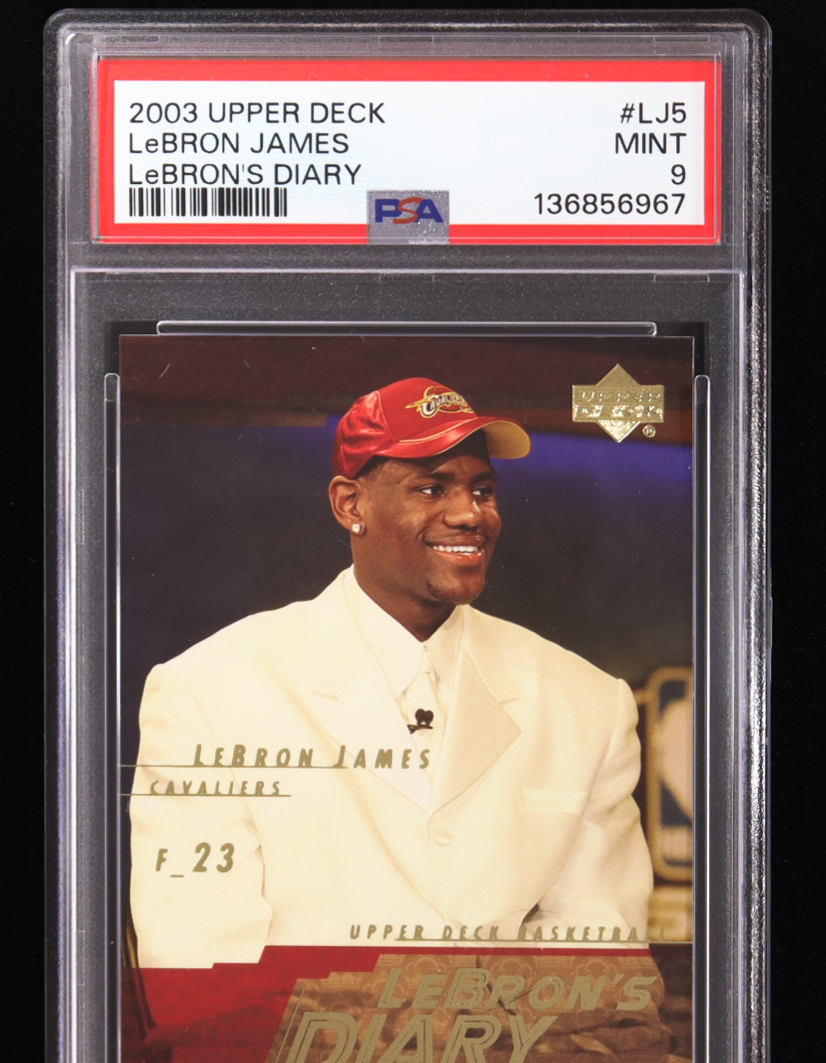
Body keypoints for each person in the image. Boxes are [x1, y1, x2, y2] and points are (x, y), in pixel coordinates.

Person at [129, 377, 653, 968]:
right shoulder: (211, 691)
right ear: (350, 505)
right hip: (302, 1034)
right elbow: (198, 962)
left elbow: (601, 951)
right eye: (431, 488)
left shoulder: (588, 702)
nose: (469, 514)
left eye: (482, 490)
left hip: (517, 1033)